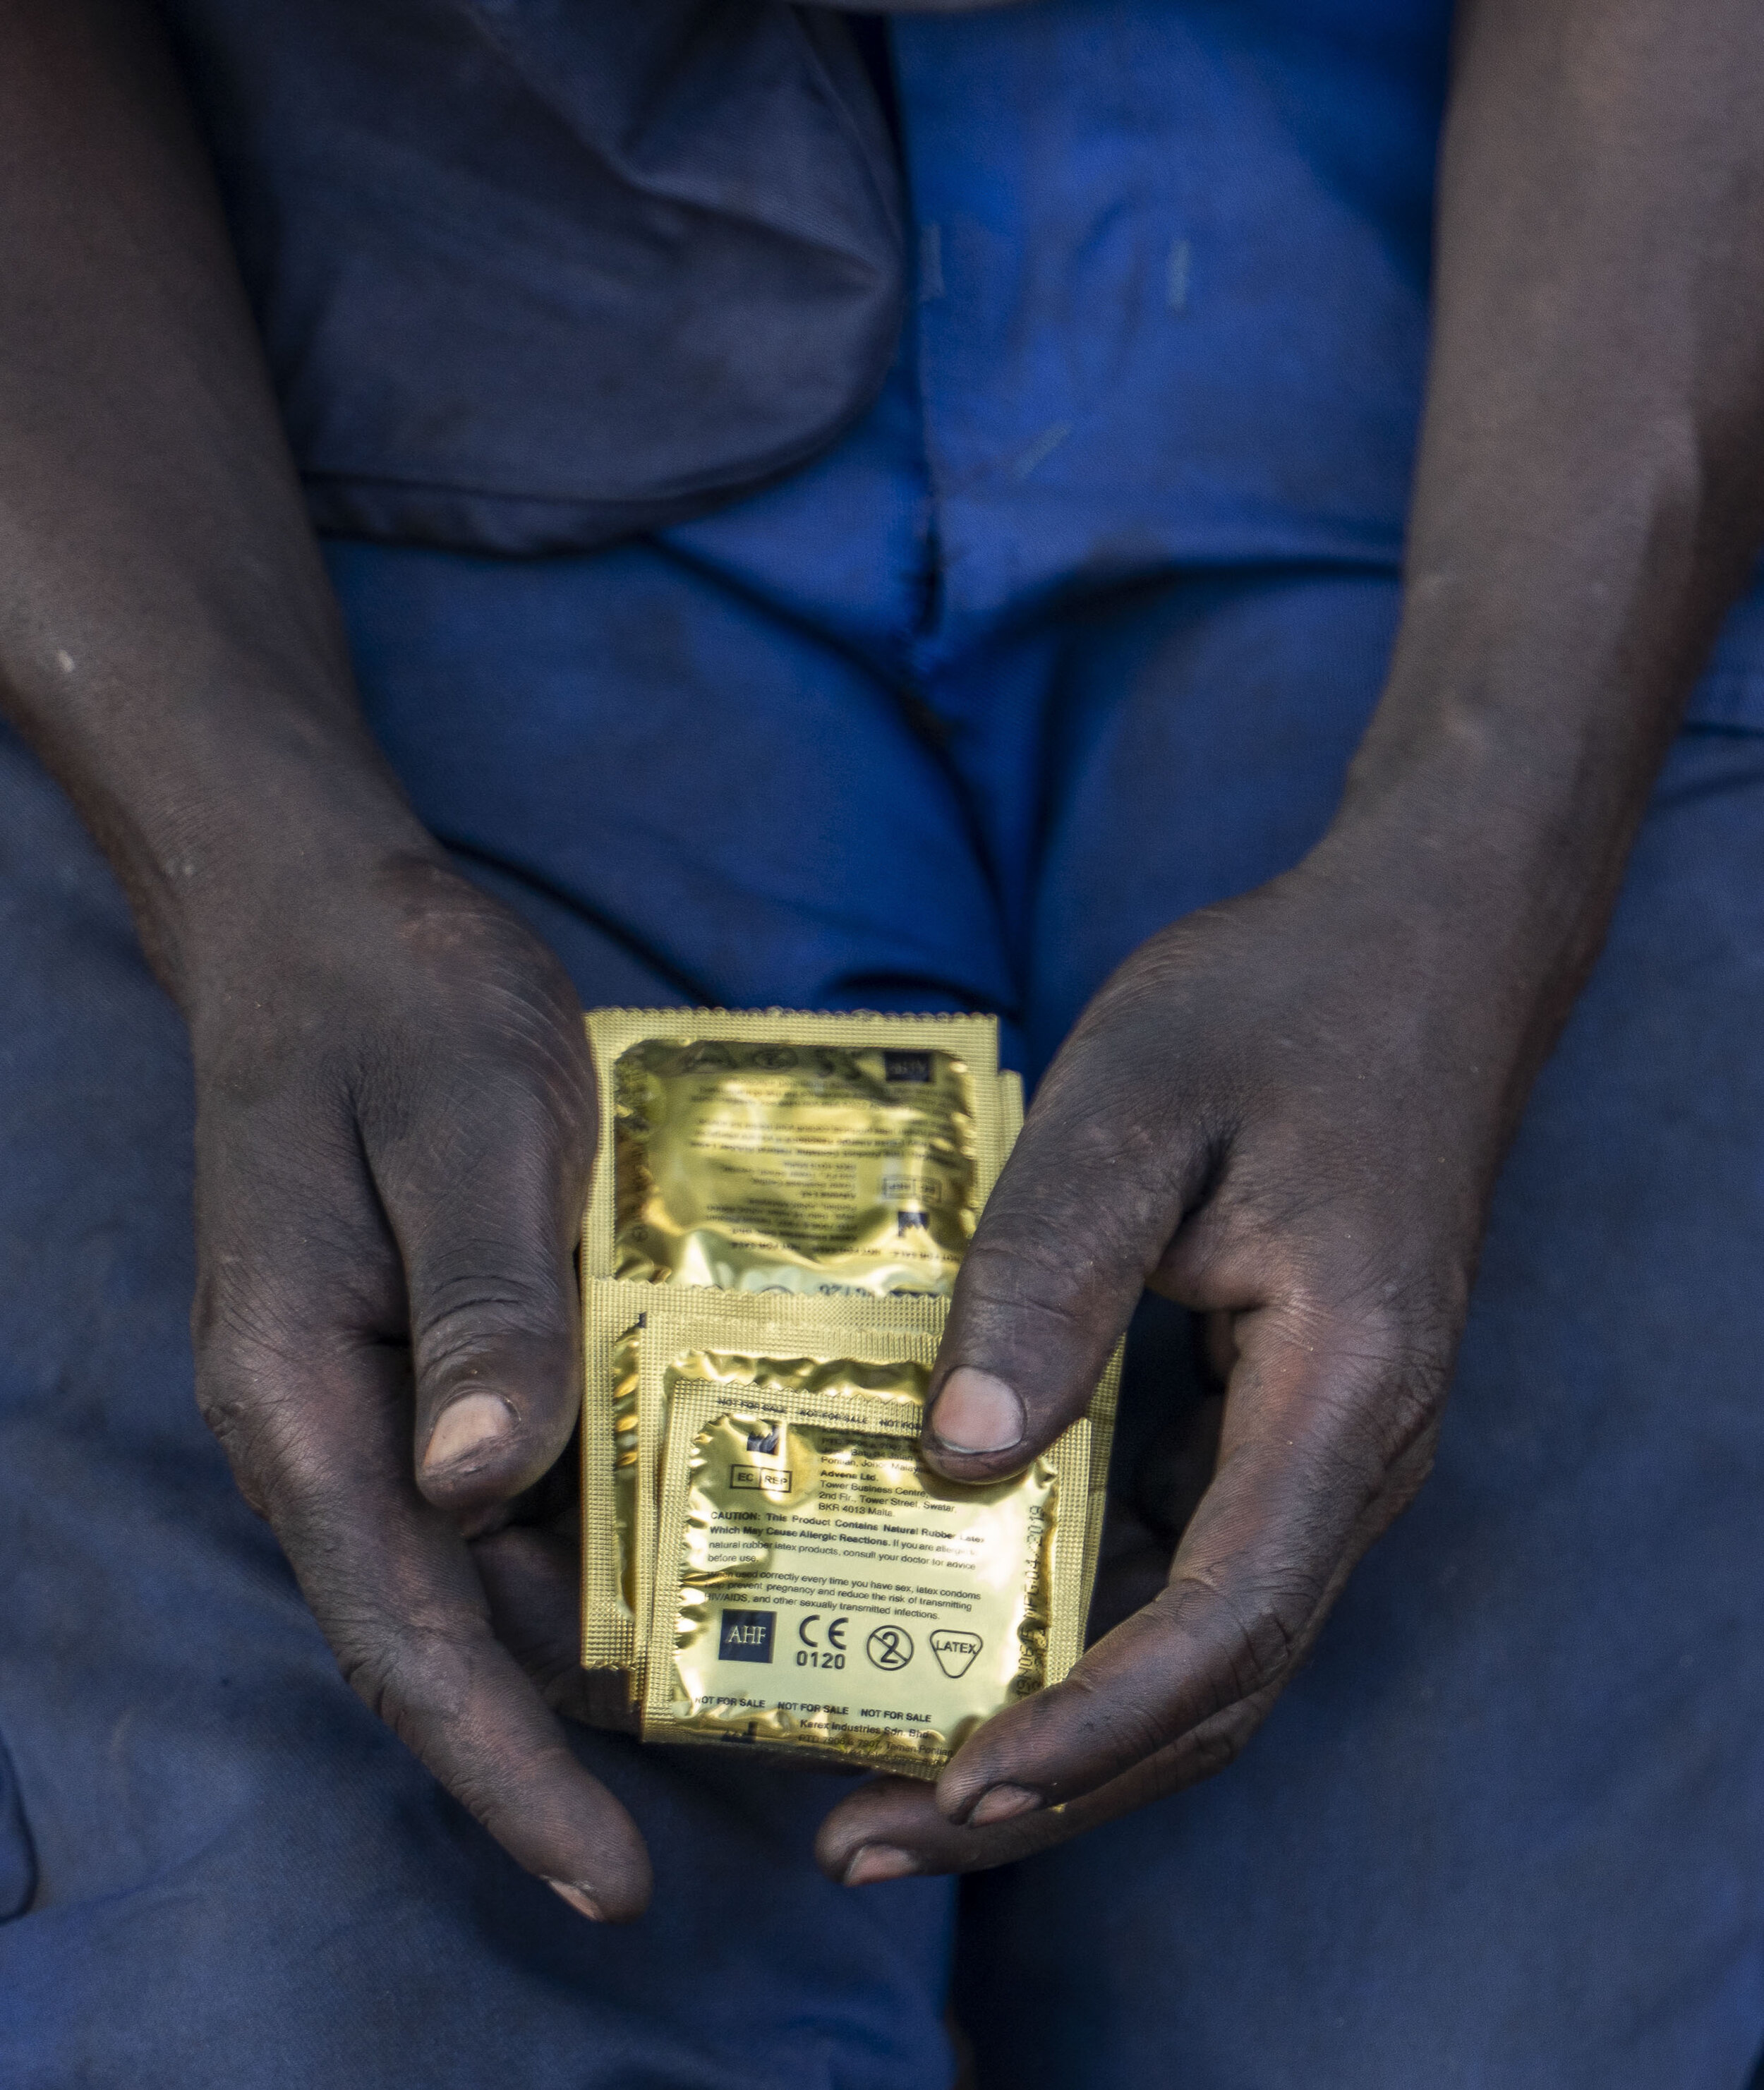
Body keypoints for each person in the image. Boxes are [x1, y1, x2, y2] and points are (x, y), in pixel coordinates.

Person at [1, 0, 1762, 2082]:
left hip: (1505, 345)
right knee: (294, 1979)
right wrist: (241, 843)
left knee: (1462, 2016)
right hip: (302, 372)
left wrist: (1494, 855)